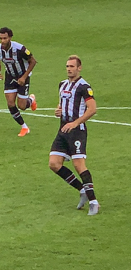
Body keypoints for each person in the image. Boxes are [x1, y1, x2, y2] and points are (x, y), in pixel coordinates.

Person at [49, 55, 100, 215]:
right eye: (67, 66)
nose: (69, 69)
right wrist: (59, 110)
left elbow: (92, 109)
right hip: (63, 129)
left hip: (77, 131)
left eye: (72, 66)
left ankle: (94, 202)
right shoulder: (62, 84)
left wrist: (76, 123)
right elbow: (62, 103)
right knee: (54, 164)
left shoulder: (84, 87)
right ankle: (82, 190)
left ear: (79, 68)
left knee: (79, 165)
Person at [0, 27, 37, 137]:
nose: (3, 41)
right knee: (10, 103)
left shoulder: (20, 49)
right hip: (10, 77)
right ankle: (24, 127)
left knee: (22, 106)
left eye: (5, 38)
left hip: (23, 76)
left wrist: (24, 77)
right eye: (1, 38)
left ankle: (31, 100)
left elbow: (33, 61)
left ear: (10, 38)